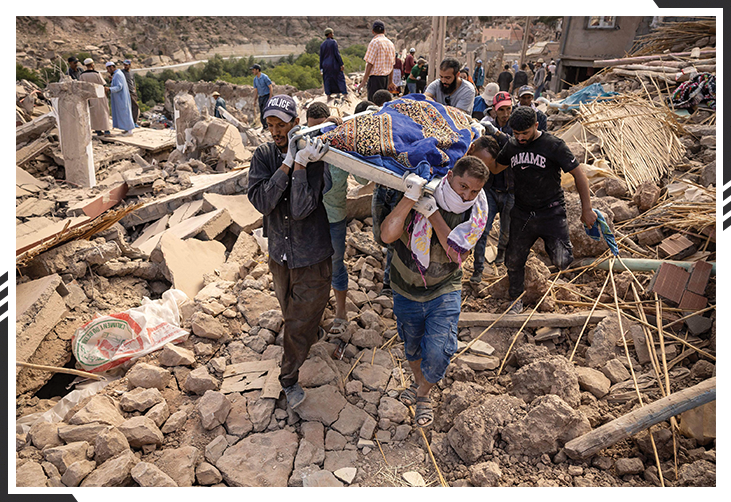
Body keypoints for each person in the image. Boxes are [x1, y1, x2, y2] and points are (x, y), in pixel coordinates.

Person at [379, 156, 490, 427]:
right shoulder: (421, 195)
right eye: (462, 186)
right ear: (450, 175)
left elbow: (455, 254)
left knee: (440, 350)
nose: (466, 195)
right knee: (413, 345)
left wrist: (433, 214)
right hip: (405, 286)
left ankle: (423, 394)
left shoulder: (476, 212)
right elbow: (386, 235)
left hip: (444, 288)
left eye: (474, 191)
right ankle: (420, 388)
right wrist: (411, 199)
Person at [246, 95, 332, 409]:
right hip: (280, 254)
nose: (275, 131)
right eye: (270, 125)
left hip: (312, 254)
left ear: (295, 123)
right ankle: (311, 329)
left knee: (296, 324)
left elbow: (299, 209)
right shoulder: (264, 155)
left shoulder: (314, 156)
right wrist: (286, 163)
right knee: (290, 312)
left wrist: (300, 164)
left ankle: (288, 380)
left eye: (281, 125)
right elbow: (263, 202)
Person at [492, 106, 596, 314]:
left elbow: (579, 175)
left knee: (561, 260)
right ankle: (516, 299)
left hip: (551, 212)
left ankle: (555, 256)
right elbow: (495, 168)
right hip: (522, 213)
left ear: (536, 126)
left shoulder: (553, 145)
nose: (520, 138)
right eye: (517, 133)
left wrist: (587, 208)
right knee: (513, 259)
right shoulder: (512, 146)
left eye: (525, 133)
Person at [306, 102, 368, 338]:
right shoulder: (303, 143)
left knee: (335, 264)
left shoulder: (340, 145)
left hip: (334, 218)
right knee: (309, 266)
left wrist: (349, 142)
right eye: (311, 129)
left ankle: (341, 312)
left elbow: (363, 180)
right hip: (308, 217)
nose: (316, 135)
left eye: (320, 129)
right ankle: (314, 311)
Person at [471, 91, 515, 280]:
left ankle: (501, 255)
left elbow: (515, 146)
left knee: (506, 231)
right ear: (494, 111)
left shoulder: (515, 129)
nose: (505, 113)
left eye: (508, 109)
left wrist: (497, 133)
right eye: (501, 110)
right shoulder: (486, 128)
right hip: (489, 189)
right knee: (482, 230)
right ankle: (477, 270)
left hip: (511, 190)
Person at [360, 20, 396, 102]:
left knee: (373, 104)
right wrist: (390, 81)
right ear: (384, 31)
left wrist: (363, 81)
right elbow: (392, 64)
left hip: (375, 79)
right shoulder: (390, 44)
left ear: (373, 31)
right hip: (385, 79)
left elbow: (370, 63)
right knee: (383, 103)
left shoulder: (374, 42)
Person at [79, 58, 110, 136]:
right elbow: (103, 84)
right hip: (100, 95)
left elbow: (81, 87)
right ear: (92, 64)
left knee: (94, 113)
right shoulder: (97, 73)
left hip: (90, 96)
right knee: (103, 112)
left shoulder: (82, 75)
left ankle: (98, 130)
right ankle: (106, 130)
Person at [104, 61, 135, 136]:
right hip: (119, 98)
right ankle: (126, 129)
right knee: (123, 113)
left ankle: (129, 131)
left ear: (111, 67)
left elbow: (119, 87)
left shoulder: (118, 74)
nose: (108, 71)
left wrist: (109, 89)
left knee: (125, 113)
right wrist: (111, 81)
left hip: (121, 98)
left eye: (108, 69)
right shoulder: (117, 74)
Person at [319, 27, 348, 99]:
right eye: (332, 33)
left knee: (327, 79)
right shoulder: (333, 42)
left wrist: (321, 68)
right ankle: (344, 94)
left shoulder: (322, 44)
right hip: (334, 64)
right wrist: (341, 64)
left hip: (325, 65)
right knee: (340, 78)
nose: (333, 34)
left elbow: (321, 57)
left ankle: (328, 95)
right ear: (329, 34)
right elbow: (337, 54)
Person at [251, 64, 274, 130]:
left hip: (266, 96)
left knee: (265, 111)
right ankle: (264, 126)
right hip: (260, 97)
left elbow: (270, 87)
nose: (253, 71)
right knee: (261, 112)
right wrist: (254, 100)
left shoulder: (264, 77)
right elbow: (256, 90)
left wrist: (270, 98)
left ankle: (268, 125)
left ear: (257, 70)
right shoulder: (255, 80)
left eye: (253, 70)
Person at [122, 60, 139, 125]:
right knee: (129, 107)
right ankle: (130, 122)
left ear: (129, 65)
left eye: (126, 65)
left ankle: (134, 122)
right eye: (124, 65)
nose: (125, 66)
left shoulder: (132, 73)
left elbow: (133, 82)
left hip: (132, 92)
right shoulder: (122, 72)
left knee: (134, 107)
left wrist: (135, 90)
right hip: (126, 92)